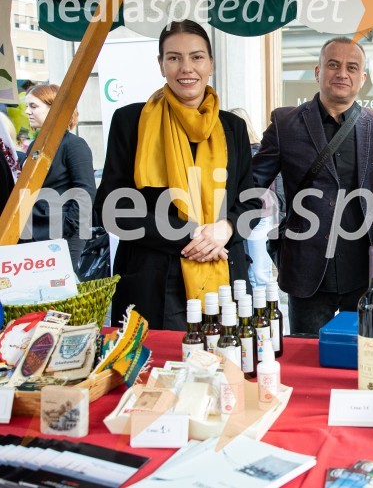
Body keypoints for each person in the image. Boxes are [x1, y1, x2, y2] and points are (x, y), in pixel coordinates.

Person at [94, 20, 261, 330]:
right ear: (161, 65)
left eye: (197, 57)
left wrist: (226, 227)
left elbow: (249, 202)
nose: (187, 68)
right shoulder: (131, 121)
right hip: (156, 280)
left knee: (224, 366)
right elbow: (110, 208)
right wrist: (192, 234)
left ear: (211, 64)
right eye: (174, 58)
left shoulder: (232, 127)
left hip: (222, 274)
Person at [252, 36, 373, 335]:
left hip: (369, 272)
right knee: (309, 359)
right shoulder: (285, 123)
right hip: (307, 270)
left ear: (362, 78)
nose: (342, 73)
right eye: (333, 65)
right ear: (318, 72)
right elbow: (251, 184)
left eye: (352, 67)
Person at [20, 84, 96, 272]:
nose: (27, 111)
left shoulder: (74, 145)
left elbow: (86, 191)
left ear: (54, 108)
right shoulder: (34, 147)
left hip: (64, 235)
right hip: (34, 232)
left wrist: (66, 229)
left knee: (60, 293)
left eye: (33, 106)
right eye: (27, 106)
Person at [230, 106, 273, 288]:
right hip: (253, 213)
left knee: (257, 273)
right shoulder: (256, 150)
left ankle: (264, 312)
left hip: (257, 214)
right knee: (255, 269)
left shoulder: (252, 152)